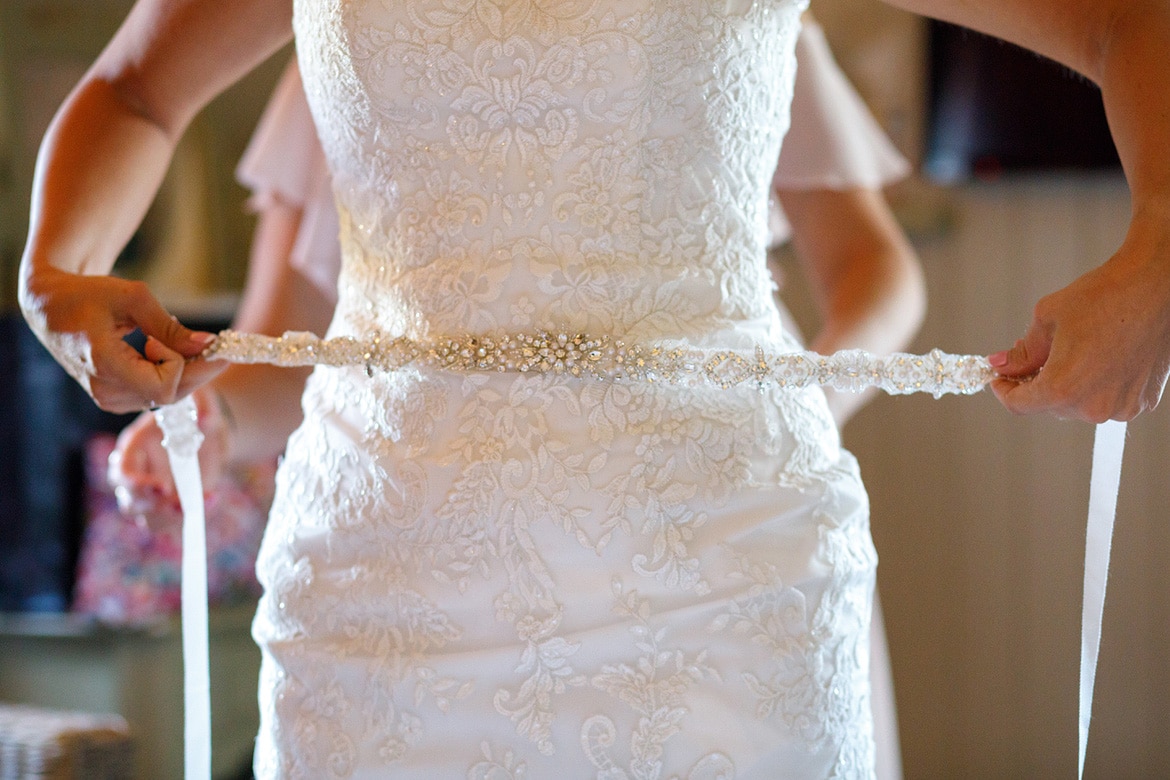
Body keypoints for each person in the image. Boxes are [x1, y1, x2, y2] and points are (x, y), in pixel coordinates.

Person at [18, 0, 1170, 776]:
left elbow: (1128, 19)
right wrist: (49, 274)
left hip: (720, 571)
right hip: (383, 578)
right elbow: (133, 88)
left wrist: (1161, 252)